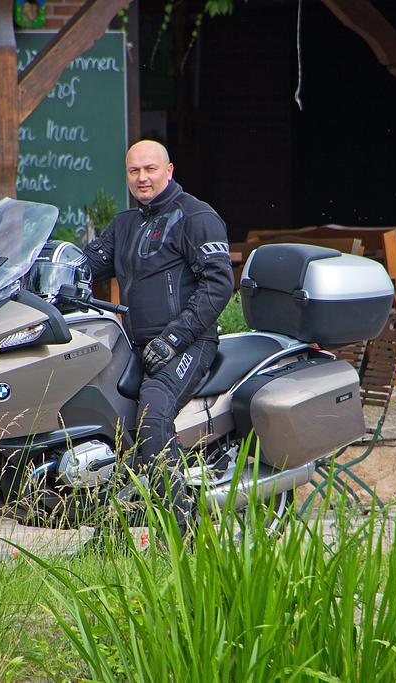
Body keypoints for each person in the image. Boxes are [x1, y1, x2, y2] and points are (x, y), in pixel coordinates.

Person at [81, 140, 233, 532]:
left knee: (152, 415)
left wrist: (174, 339)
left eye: (150, 169)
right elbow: (87, 266)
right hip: (135, 345)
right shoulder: (126, 224)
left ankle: (185, 530)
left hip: (188, 342)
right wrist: (45, 269)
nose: (142, 177)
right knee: (106, 418)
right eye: (134, 171)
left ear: (169, 170)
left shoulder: (197, 217)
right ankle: (109, 532)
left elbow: (218, 285)